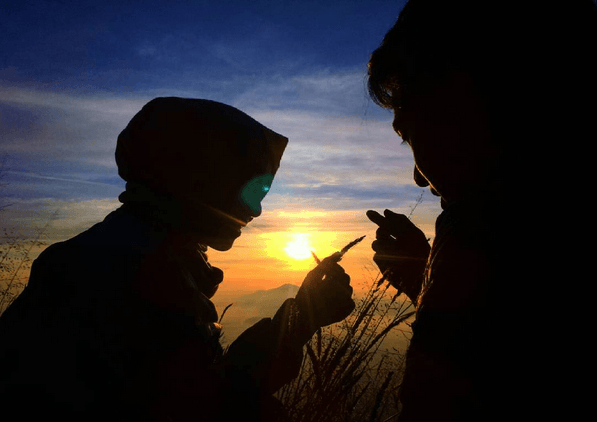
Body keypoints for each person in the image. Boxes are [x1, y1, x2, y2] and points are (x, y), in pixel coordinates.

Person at [0, 97, 355, 422]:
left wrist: (299, 318)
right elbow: (211, 406)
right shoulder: (133, 277)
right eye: (249, 189)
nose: (257, 210)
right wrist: (300, 320)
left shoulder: (114, 253)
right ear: (199, 181)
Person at [366, 1, 595, 421]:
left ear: (455, 106)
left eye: (407, 133)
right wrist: (425, 275)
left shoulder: (484, 224)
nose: (419, 180)